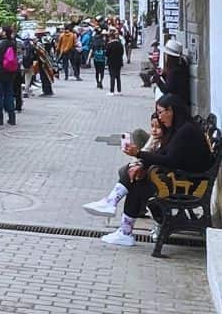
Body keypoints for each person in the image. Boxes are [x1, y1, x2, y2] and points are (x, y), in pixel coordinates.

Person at [101, 94, 212, 247]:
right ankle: (118, 217)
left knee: (137, 183)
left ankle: (120, 221)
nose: (159, 118)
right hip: (181, 177)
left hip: (188, 183)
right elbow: (163, 154)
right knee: (134, 173)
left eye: (160, 112)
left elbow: (170, 160)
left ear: (171, 110)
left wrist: (139, 155)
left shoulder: (185, 131)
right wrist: (142, 164)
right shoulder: (179, 128)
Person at [82, 113, 165, 218]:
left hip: (165, 176)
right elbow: (146, 151)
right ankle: (114, 206)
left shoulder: (168, 139)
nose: (154, 130)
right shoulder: (155, 138)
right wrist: (135, 163)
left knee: (130, 175)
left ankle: (115, 207)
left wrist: (139, 162)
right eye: (152, 126)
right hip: (155, 168)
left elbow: (160, 159)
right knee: (128, 171)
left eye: (158, 127)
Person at [151, 39, 192, 111]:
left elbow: (167, 90)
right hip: (182, 101)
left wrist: (157, 79)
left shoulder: (175, 70)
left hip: (179, 104)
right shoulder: (180, 65)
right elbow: (173, 84)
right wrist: (163, 75)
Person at [0, 27, 17, 127]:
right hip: (10, 72)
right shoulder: (13, 43)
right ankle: (12, 117)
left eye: (1, 30)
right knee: (9, 94)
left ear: (5, 32)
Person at [106, 28, 126, 95]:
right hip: (119, 62)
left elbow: (107, 54)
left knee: (112, 76)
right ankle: (119, 91)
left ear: (110, 37)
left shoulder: (109, 44)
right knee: (118, 76)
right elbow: (122, 52)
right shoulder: (119, 44)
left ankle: (112, 91)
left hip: (111, 62)